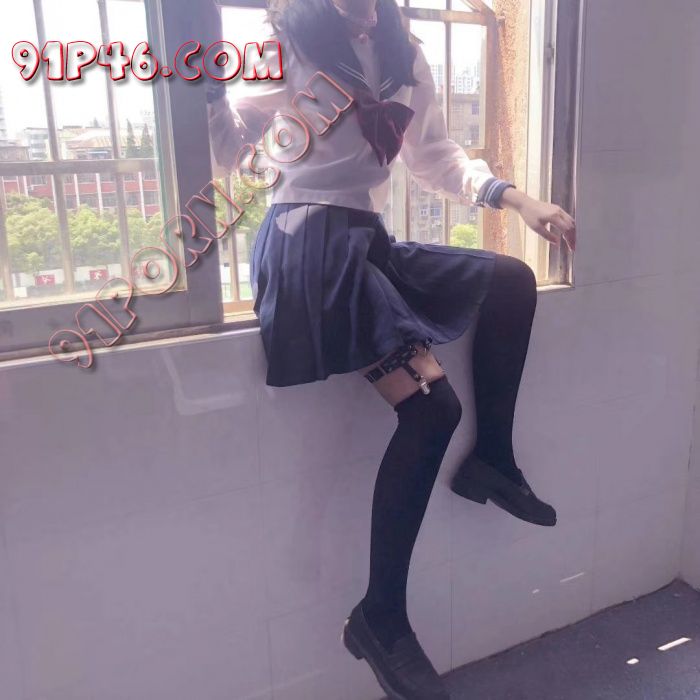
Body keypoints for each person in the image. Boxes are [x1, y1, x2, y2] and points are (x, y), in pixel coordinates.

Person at [204, 0, 576, 697]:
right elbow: (229, 154)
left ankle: (492, 460)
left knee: (511, 281)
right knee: (433, 410)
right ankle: (381, 617)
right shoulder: (283, 40)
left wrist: (515, 199)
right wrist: (202, 84)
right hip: (308, 248)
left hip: (364, 241)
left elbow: (432, 156)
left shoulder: (403, 52)